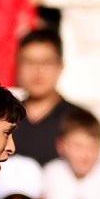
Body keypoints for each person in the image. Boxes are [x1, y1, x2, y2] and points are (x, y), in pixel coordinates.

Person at [12, 29, 87, 166]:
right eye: (29, 62)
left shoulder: (79, 120)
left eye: (46, 62)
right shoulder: (5, 117)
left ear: (60, 67)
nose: (37, 70)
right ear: (18, 66)